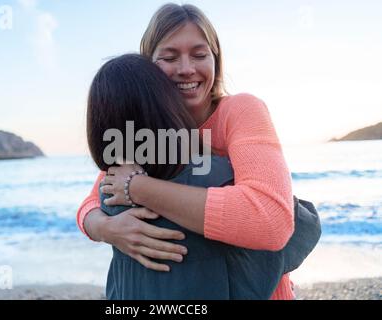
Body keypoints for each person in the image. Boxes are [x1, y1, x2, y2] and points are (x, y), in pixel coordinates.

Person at [79, 3, 296, 299]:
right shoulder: (144, 127)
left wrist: (137, 187)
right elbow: (92, 202)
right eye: (169, 57)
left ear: (216, 59)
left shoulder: (240, 111)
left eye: (199, 55)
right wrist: (107, 229)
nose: (186, 69)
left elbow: (271, 220)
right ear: (148, 67)